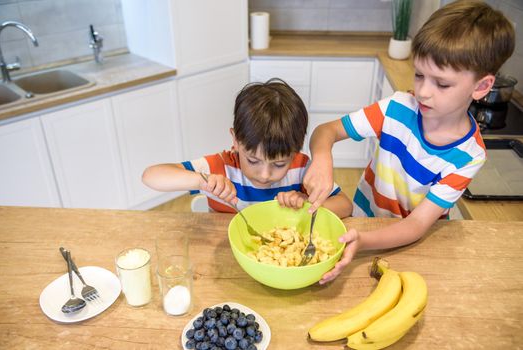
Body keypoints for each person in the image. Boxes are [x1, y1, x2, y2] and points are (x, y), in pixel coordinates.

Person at [303, 0, 515, 283]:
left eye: (441, 84)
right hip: (364, 219)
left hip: (413, 243)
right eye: (419, 75)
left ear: (481, 86)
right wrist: (322, 159)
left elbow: (416, 225)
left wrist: (363, 241)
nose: (423, 92)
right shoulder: (396, 109)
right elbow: (325, 131)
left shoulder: (469, 156)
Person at [142, 78, 352, 218]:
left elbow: (345, 205)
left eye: (279, 163)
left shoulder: (303, 168)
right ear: (236, 140)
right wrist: (201, 181)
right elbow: (151, 175)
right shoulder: (220, 167)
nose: (265, 174)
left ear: (296, 150)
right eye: (253, 160)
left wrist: (308, 204)